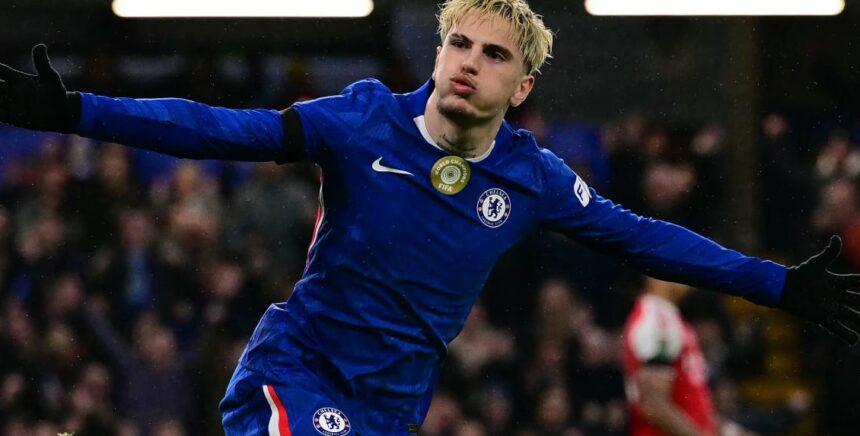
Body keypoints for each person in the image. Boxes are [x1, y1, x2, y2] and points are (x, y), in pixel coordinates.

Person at [1, 0, 859, 434]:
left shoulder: (534, 178)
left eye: (494, 54)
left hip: (392, 411)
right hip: (296, 376)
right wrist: (76, 111)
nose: (468, 63)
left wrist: (779, 285)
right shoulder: (362, 119)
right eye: (458, 43)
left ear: (521, 87)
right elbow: (217, 129)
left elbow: (648, 238)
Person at [622, 277, 753, 436]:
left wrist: (733, 432)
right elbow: (653, 404)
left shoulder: (668, 318)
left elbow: (692, 406)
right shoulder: (658, 320)